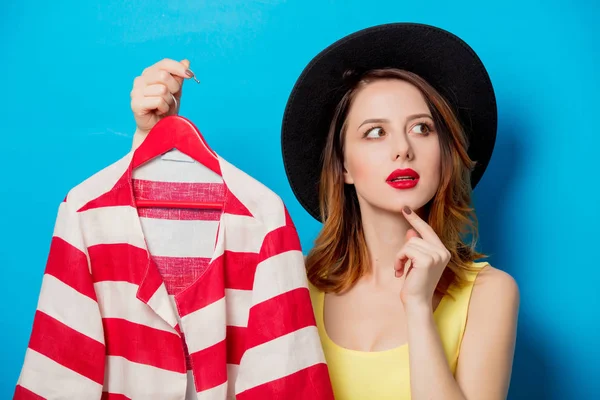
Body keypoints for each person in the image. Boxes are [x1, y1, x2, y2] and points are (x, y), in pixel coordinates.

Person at [129, 23, 519, 400]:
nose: (403, 148)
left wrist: (417, 307)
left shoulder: (488, 294)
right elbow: (170, 327)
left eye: (421, 128)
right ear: (344, 166)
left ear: (444, 153)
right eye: (375, 132)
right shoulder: (287, 282)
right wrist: (153, 146)